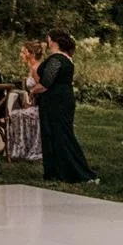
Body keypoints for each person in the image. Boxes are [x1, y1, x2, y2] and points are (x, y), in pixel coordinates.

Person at [35, 30, 98, 183]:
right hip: (62, 99)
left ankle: (71, 171)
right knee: (59, 134)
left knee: (57, 134)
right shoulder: (67, 58)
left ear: (53, 41)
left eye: (48, 39)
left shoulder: (56, 59)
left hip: (55, 101)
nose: (47, 42)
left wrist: (31, 92)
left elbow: (46, 83)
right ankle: (58, 170)